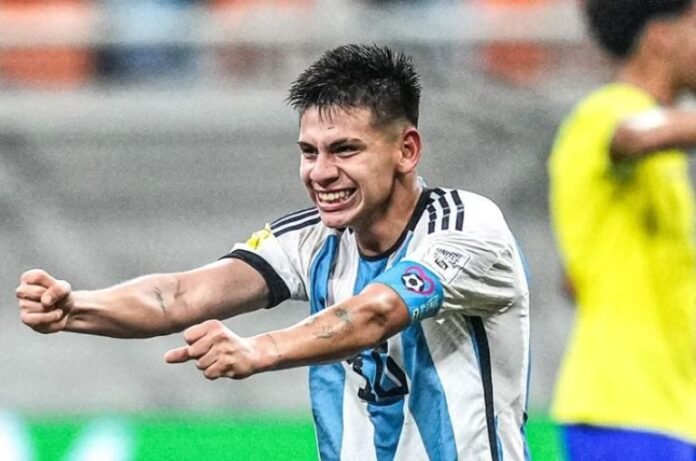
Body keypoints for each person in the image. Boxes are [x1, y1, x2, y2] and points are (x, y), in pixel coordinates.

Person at [17, 44, 530, 460]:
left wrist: (259, 349)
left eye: (345, 149)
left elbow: (376, 313)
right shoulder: (311, 239)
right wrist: (77, 308)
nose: (321, 173)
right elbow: (181, 295)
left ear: (406, 150)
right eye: (309, 152)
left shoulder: (467, 227)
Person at [548, 1, 696, 459]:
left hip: (669, 414)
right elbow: (633, 135)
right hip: (623, 413)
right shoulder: (605, 110)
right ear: (661, 36)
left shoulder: (666, 157)